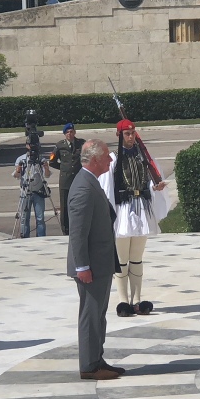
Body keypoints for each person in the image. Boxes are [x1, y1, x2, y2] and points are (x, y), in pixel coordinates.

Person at [98, 119, 169, 317]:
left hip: (141, 209)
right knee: (122, 260)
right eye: (127, 134)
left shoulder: (142, 157)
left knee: (136, 259)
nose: (130, 137)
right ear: (119, 135)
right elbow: (106, 189)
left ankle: (136, 300)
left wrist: (155, 188)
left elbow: (149, 181)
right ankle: (123, 301)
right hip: (123, 211)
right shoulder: (112, 160)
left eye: (132, 133)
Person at [67, 139, 125, 381]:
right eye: (107, 157)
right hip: (90, 266)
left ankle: (96, 359)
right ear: (95, 160)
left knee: (98, 314)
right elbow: (78, 232)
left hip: (99, 264)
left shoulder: (90, 182)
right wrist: (82, 266)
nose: (111, 161)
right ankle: (89, 366)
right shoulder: (83, 187)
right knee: (91, 315)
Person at [48, 123, 86, 234]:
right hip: (65, 180)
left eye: (71, 131)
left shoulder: (81, 143)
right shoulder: (60, 146)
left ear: (74, 132)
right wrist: (64, 168)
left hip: (79, 179)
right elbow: (52, 161)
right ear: (64, 134)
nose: (69, 134)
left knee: (81, 203)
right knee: (65, 206)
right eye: (67, 132)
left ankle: (80, 226)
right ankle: (66, 230)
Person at [13, 140, 52, 238]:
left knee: (40, 218)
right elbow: (16, 176)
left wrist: (46, 168)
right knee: (24, 218)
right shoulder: (21, 159)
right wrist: (18, 170)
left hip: (38, 191)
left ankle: (41, 237)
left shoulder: (40, 159)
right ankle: (25, 237)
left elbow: (46, 176)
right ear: (27, 146)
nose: (32, 146)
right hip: (25, 192)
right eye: (30, 144)